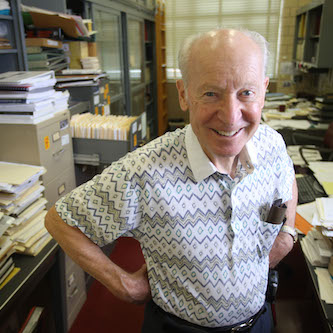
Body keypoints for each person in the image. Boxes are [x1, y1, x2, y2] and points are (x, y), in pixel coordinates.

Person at [45, 27, 298, 332]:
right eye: (210, 93)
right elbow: (61, 221)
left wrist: (288, 233)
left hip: (260, 322)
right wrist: (123, 284)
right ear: (183, 94)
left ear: (264, 90)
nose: (231, 116)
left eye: (246, 92)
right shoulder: (144, 172)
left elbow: (287, 176)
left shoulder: (272, 144)